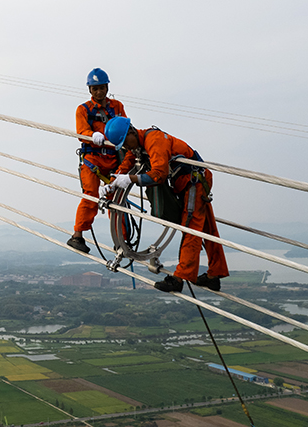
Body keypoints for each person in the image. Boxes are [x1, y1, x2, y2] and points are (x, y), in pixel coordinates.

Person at [101, 116, 229, 292]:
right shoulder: (138, 145)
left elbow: (159, 174)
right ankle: (216, 273)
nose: (126, 147)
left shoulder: (154, 140)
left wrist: (130, 178)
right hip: (186, 182)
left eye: (125, 142)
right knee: (207, 228)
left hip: (194, 182)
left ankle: (179, 278)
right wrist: (112, 183)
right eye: (123, 145)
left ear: (131, 131)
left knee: (190, 228)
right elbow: (127, 163)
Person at [67, 68, 127, 254]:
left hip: (112, 159)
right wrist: (92, 135)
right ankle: (77, 236)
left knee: (116, 200)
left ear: (107, 87)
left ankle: (122, 240)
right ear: (90, 90)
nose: (99, 92)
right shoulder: (83, 110)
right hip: (93, 159)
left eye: (102, 88)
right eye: (95, 89)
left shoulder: (116, 107)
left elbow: (125, 126)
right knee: (91, 196)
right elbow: (81, 132)